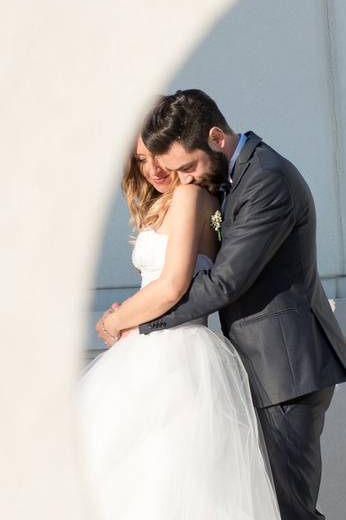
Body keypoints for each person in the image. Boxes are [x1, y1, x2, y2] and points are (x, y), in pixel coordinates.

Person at [139, 89, 346, 520]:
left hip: (287, 374)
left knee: (290, 509)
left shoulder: (268, 180)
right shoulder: (235, 175)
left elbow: (225, 283)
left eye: (188, 167)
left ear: (216, 137)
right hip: (261, 370)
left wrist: (147, 320)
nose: (184, 180)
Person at [76, 128, 281, 519]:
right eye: (140, 159)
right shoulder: (163, 202)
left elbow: (172, 286)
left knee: (172, 478)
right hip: (143, 351)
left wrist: (117, 319)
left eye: (157, 155)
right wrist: (131, 313)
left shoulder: (190, 196)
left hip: (178, 353)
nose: (152, 168)